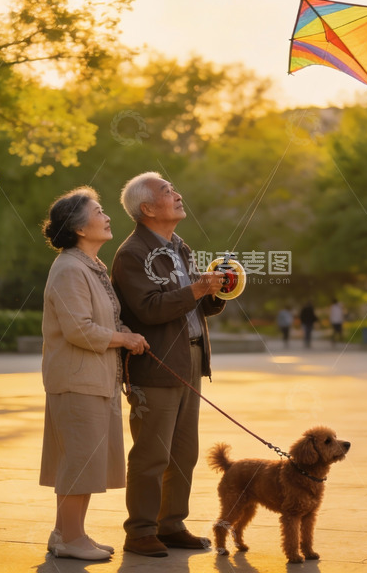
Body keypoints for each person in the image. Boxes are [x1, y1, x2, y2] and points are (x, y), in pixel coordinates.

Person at [111, 172, 225, 558]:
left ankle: (171, 524)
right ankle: (141, 530)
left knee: (183, 450)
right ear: (147, 208)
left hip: (189, 357)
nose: (177, 195)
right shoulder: (132, 254)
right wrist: (196, 289)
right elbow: (149, 309)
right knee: (151, 453)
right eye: (167, 191)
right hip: (156, 363)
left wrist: (218, 291)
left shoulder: (179, 246)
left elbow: (192, 303)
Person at [39, 186, 149, 561]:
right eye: (99, 211)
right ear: (80, 228)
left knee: (79, 459)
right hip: (77, 380)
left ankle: (64, 534)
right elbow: (79, 329)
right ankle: (72, 539)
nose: (107, 217)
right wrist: (125, 338)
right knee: (80, 462)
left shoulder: (89, 266)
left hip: (92, 379)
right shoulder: (70, 268)